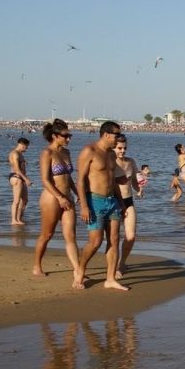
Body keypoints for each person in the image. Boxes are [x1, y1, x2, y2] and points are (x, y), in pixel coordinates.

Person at [75, 121, 128, 291]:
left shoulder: (112, 155)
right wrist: (84, 206)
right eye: (116, 135)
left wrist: (121, 202)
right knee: (96, 241)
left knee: (114, 240)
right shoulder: (89, 151)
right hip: (94, 200)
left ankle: (110, 278)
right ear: (106, 135)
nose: (118, 139)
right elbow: (80, 181)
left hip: (112, 200)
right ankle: (80, 269)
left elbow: (112, 181)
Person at [32, 119, 80, 283]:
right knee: (47, 234)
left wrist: (77, 193)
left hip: (68, 197)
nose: (69, 139)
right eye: (66, 136)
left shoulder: (66, 153)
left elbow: (69, 178)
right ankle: (37, 265)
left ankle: (77, 270)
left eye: (69, 135)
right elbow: (45, 180)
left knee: (71, 235)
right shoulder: (47, 153)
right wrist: (59, 197)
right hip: (52, 197)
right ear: (54, 136)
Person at [113, 134, 140, 279]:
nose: (122, 151)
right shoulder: (110, 162)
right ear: (113, 147)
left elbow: (134, 181)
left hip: (129, 201)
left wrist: (139, 189)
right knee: (114, 237)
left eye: (124, 148)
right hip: (115, 202)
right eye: (119, 148)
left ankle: (122, 262)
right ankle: (115, 266)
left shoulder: (131, 162)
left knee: (131, 236)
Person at [8, 137, 32, 225]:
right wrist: (26, 179)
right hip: (16, 177)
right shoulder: (15, 154)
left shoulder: (20, 154)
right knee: (16, 200)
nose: (27, 148)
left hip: (21, 177)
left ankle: (19, 218)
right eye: (26, 146)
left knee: (25, 200)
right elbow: (17, 170)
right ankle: (14, 220)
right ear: (22, 145)